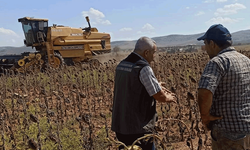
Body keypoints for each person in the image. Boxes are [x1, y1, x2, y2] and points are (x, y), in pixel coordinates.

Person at [111, 36, 176, 150]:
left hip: (120, 124)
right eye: (153, 53)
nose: (154, 57)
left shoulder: (122, 64)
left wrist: (156, 85)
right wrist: (168, 97)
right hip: (138, 127)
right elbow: (159, 96)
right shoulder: (143, 67)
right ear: (146, 52)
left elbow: (133, 86)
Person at [197, 24, 250, 150]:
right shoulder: (246, 60)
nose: (205, 48)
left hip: (229, 132)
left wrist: (205, 116)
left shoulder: (217, 62)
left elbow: (205, 91)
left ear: (213, 44)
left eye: (206, 43)